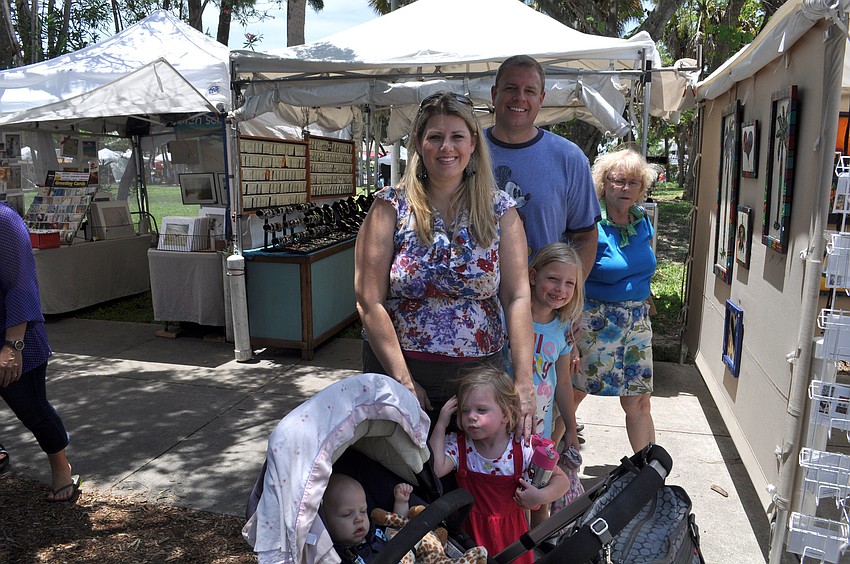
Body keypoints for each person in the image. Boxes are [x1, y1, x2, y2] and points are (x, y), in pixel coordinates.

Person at [355, 91, 535, 439]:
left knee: (475, 482)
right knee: (401, 483)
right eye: (434, 137)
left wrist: (525, 381)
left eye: (457, 137)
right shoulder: (389, 207)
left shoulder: (501, 210)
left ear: (472, 146)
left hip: (480, 383)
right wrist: (404, 381)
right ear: (420, 145)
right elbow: (368, 300)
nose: (445, 147)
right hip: (398, 373)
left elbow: (518, 297)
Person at [430, 366, 569, 563]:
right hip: (470, 536)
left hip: (512, 537)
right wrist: (441, 424)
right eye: (464, 410)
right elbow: (436, 468)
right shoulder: (461, 447)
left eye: (481, 410)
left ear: (505, 414)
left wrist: (540, 496)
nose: (471, 416)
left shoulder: (522, 448)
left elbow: (562, 480)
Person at [573, 147, 660, 453]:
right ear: (603, 183)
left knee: (639, 400)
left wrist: (646, 301)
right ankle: (547, 462)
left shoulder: (641, 221)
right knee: (573, 394)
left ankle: (649, 473)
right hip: (596, 322)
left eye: (633, 182)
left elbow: (642, 266)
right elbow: (573, 278)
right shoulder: (590, 224)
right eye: (618, 181)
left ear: (642, 188)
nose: (626, 189)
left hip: (636, 322)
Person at [486, 55, 600, 276]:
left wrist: (568, 294)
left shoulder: (569, 158)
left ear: (542, 98)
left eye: (530, 91)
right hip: (475, 303)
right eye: (511, 88)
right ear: (494, 94)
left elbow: (585, 236)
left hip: (540, 303)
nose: (520, 97)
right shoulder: (465, 152)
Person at [0, 202, 79, 502]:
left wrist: (12, 345)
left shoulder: (4, 220)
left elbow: (20, 286)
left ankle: (61, 466)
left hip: (13, 337)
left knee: (32, 409)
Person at [520, 242, 587, 526]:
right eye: (553, 279)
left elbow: (562, 382)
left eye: (569, 283)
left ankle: (537, 552)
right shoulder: (511, 319)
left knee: (540, 502)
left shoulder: (561, 330)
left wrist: (570, 428)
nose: (561, 289)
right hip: (507, 430)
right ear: (533, 276)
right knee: (517, 499)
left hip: (541, 433)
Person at [322, 473, 412, 563]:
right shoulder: (335, 558)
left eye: (363, 511)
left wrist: (401, 503)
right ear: (324, 521)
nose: (359, 519)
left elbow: (399, 531)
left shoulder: (375, 534)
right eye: (347, 514)